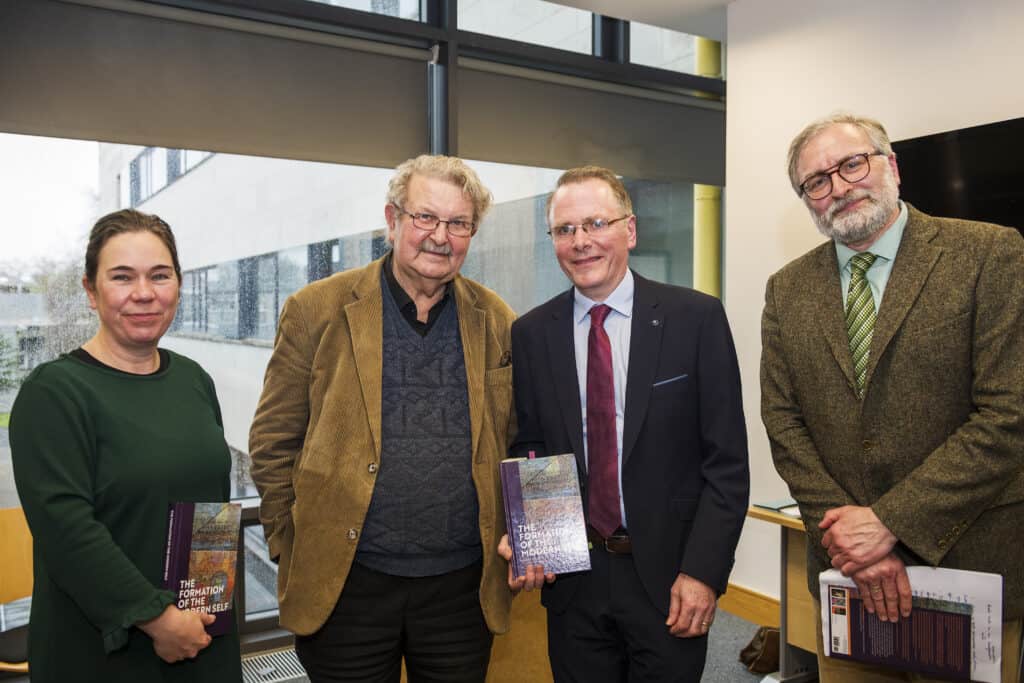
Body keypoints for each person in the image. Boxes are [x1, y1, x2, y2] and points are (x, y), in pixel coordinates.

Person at [761, 113, 1024, 682]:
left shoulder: (988, 253)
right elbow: (783, 422)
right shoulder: (787, 288)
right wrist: (851, 543)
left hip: (963, 563)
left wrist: (889, 522)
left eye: (852, 164)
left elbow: (1008, 415)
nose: (839, 186)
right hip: (845, 573)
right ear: (807, 200)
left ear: (891, 166)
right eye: (817, 181)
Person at [249, 154, 516, 682]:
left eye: (458, 223)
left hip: (461, 592)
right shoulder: (316, 309)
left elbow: (517, 439)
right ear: (392, 221)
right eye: (425, 217)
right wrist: (287, 540)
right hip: (348, 586)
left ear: (472, 234)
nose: (440, 236)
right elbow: (273, 442)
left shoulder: (498, 320)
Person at [500, 166, 749, 682]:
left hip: (669, 577)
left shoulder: (696, 318)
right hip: (575, 580)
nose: (582, 241)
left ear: (629, 231)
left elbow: (726, 464)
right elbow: (533, 445)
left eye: (596, 223)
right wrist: (537, 536)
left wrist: (704, 572)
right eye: (565, 230)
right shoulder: (530, 334)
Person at [9, 209, 243, 682]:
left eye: (160, 275)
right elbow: (67, 531)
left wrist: (200, 616)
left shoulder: (193, 379)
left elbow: (210, 508)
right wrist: (158, 619)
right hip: (103, 650)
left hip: (199, 636)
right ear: (91, 292)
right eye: (122, 277)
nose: (144, 293)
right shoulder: (54, 391)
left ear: (178, 285)